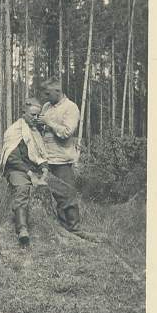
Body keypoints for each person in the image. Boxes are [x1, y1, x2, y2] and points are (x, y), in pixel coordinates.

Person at [38, 76, 97, 241]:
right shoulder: (47, 106)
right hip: (45, 159)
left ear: (58, 91)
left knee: (67, 196)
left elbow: (66, 133)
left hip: (62, 160)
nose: (45, 97)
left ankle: (74, 230)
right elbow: (43, 128)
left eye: (48, 93)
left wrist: (48, 122)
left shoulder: (71, 108)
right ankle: (60, 228)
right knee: (53, 195)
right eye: (44, 94)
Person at [0, 98, 49, 245]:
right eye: (32, 115)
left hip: (32, 169)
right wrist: (31, 175)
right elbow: (12, 159)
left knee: (55, 186)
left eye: (38, 116)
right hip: (16, 169)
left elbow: (40, 154)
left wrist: (44, 169)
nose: (36, 118)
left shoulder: (35, 132)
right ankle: (22, 229)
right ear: (24, 113)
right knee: (23, 188)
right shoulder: (14, 131)